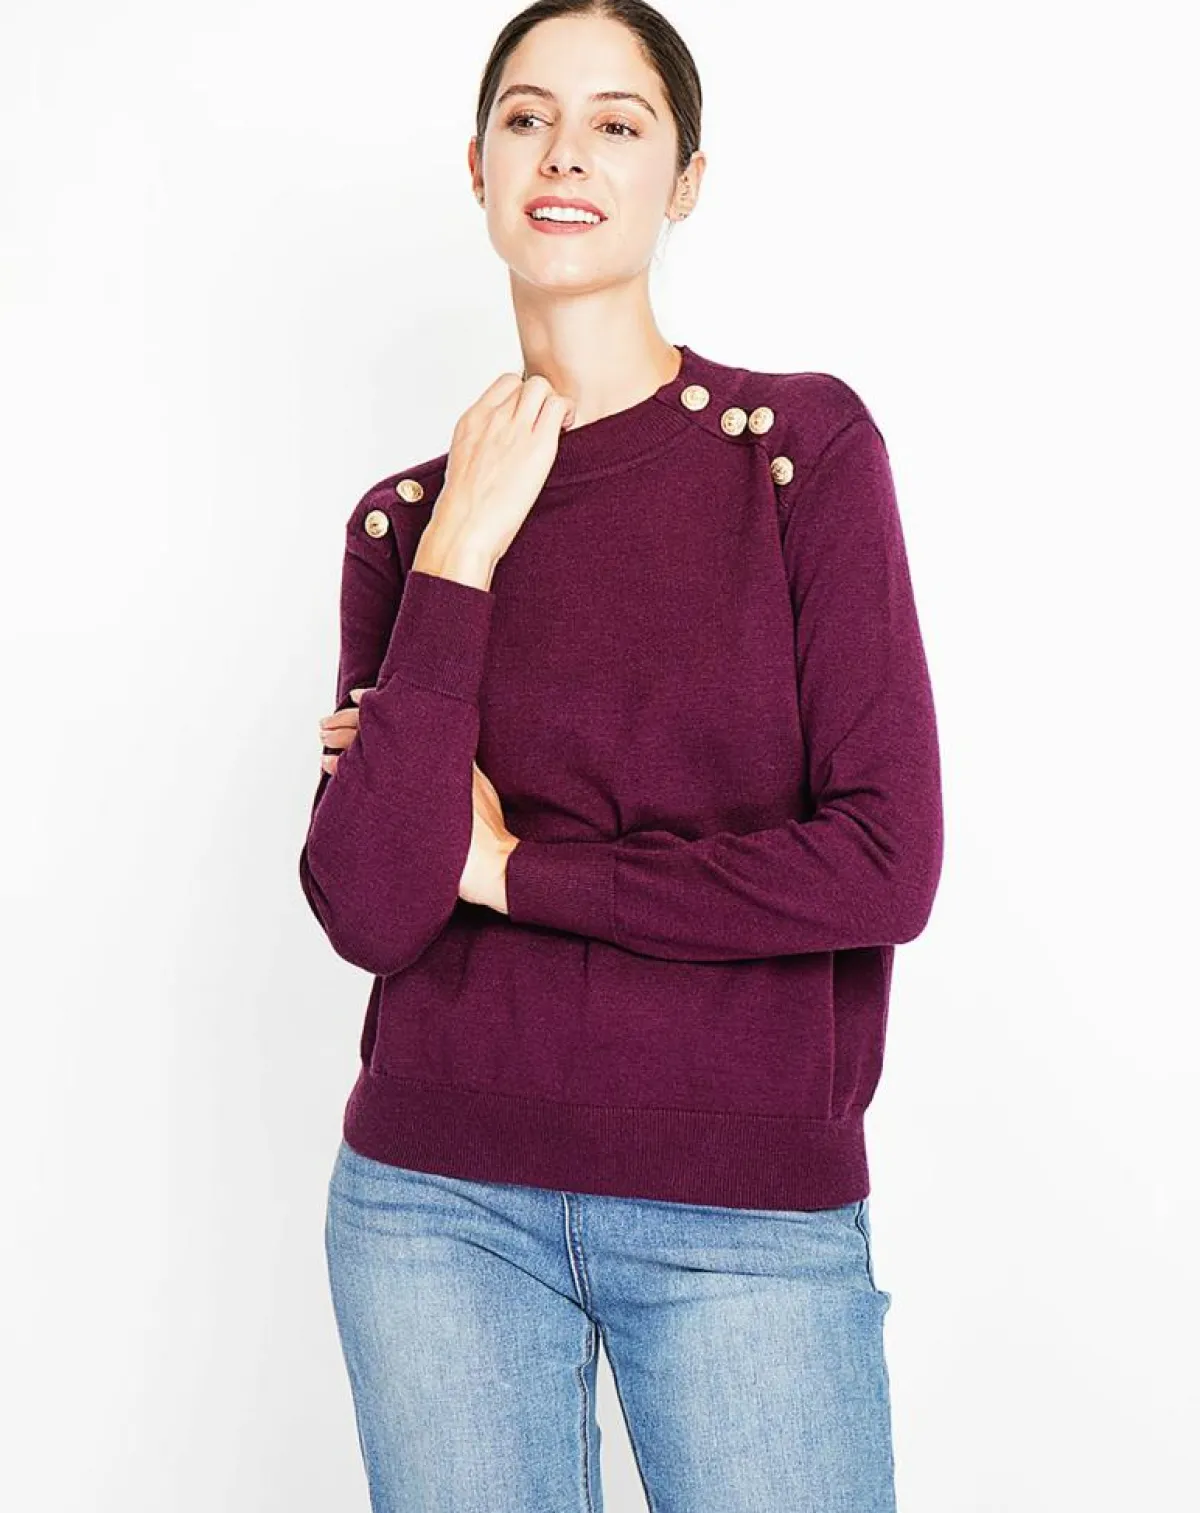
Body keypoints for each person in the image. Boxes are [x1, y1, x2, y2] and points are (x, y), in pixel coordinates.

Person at [298, 2, 944, 1508]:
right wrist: (461, 552)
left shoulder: (798, 454)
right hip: (435, 1209)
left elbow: (881, 864)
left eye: (617, 122)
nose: (565, 153)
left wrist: (513, 873)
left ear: (685, 180)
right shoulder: (408, 525)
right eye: (527, 119)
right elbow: (373, 907)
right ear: (477, 169)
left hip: (744, 1213)